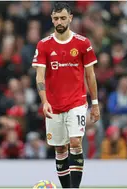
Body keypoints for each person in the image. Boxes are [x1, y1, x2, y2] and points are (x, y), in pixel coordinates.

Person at [32, 2, 100, 188]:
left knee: (75, 142)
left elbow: (90, 75)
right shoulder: (44, 45)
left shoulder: (82, 43)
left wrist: (94, 103)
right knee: (60, 148)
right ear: (52, 19)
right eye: (56, 18)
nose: (59, 21)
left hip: (77, 102)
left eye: (63, 18)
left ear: (70, 18)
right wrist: (44, 101)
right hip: (53, 105)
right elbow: (39, 75)